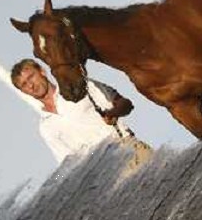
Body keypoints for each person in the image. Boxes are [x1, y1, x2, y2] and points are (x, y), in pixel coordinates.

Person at [10, 59, 151, 170]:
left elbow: (125, 103)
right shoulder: (46, 127)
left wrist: (113, 113)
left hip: (128, 150)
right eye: (24, 84)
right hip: (105, 175)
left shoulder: (79, 86)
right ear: (23, 91)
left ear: (42, 71)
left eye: (31, 77)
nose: (31, 85)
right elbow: (67, 164)